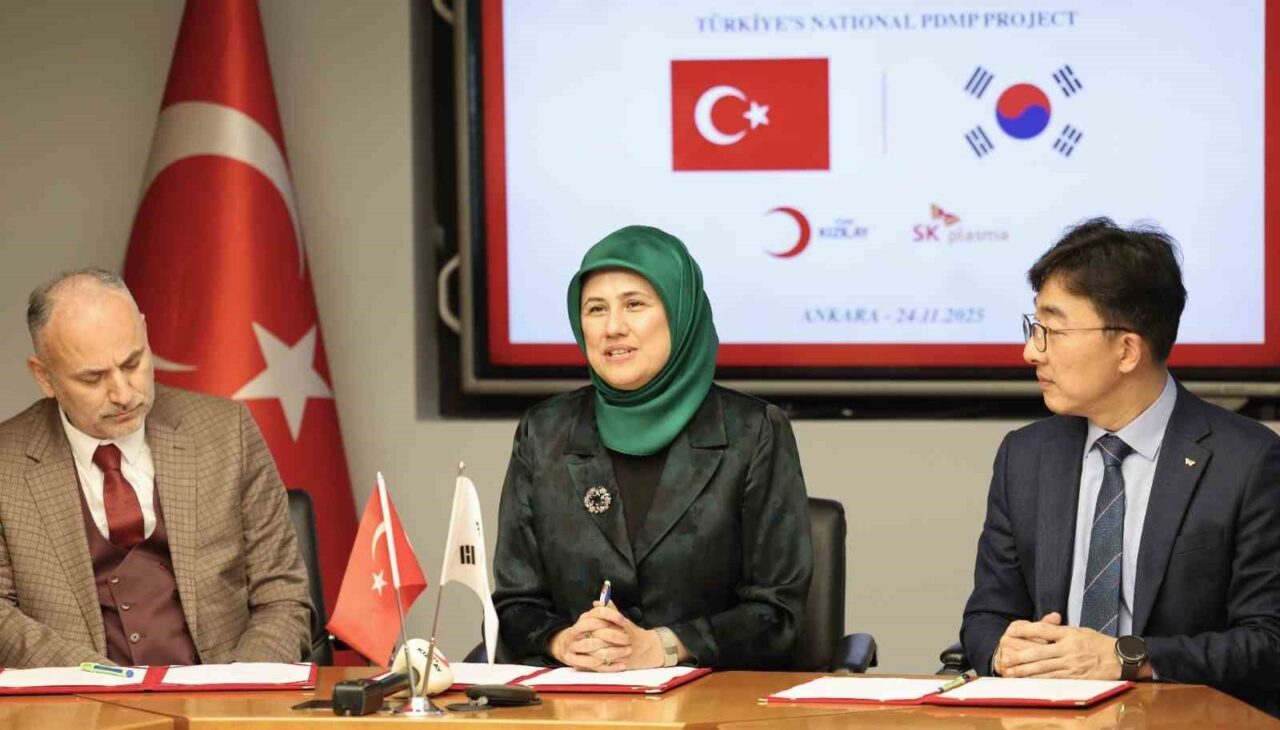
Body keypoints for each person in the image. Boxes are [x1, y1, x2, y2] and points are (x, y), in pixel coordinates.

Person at [961, 219, 1280, 713]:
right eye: (1033, 328)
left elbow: (1268, 642)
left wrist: (1126, 658)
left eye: (1052, 331)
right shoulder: (1025, 456)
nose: (1030, 352)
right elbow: (985, 617)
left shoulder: (1248, 462)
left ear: (1127, 350)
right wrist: (1005, 651)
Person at [492, 225, 812, 671]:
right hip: (576, 697)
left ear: (681, 313)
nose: (612, 328)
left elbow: (776, 612)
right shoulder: (544, 432)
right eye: (595, 309)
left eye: (634, 304)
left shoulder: (753, 431)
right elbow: (515, 602)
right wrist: (563, 642)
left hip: (712, 698)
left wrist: (663, 646)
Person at [0, 268, 312, 667]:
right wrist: (98, 684)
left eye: (133, 363)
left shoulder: (227, 432)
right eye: (93, 378)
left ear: (145, 334)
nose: (123, 394)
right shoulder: (6, 464)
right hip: (83, 698)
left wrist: (239, 689)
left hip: (225, 692)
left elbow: (282, 596)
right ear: (44, 377)